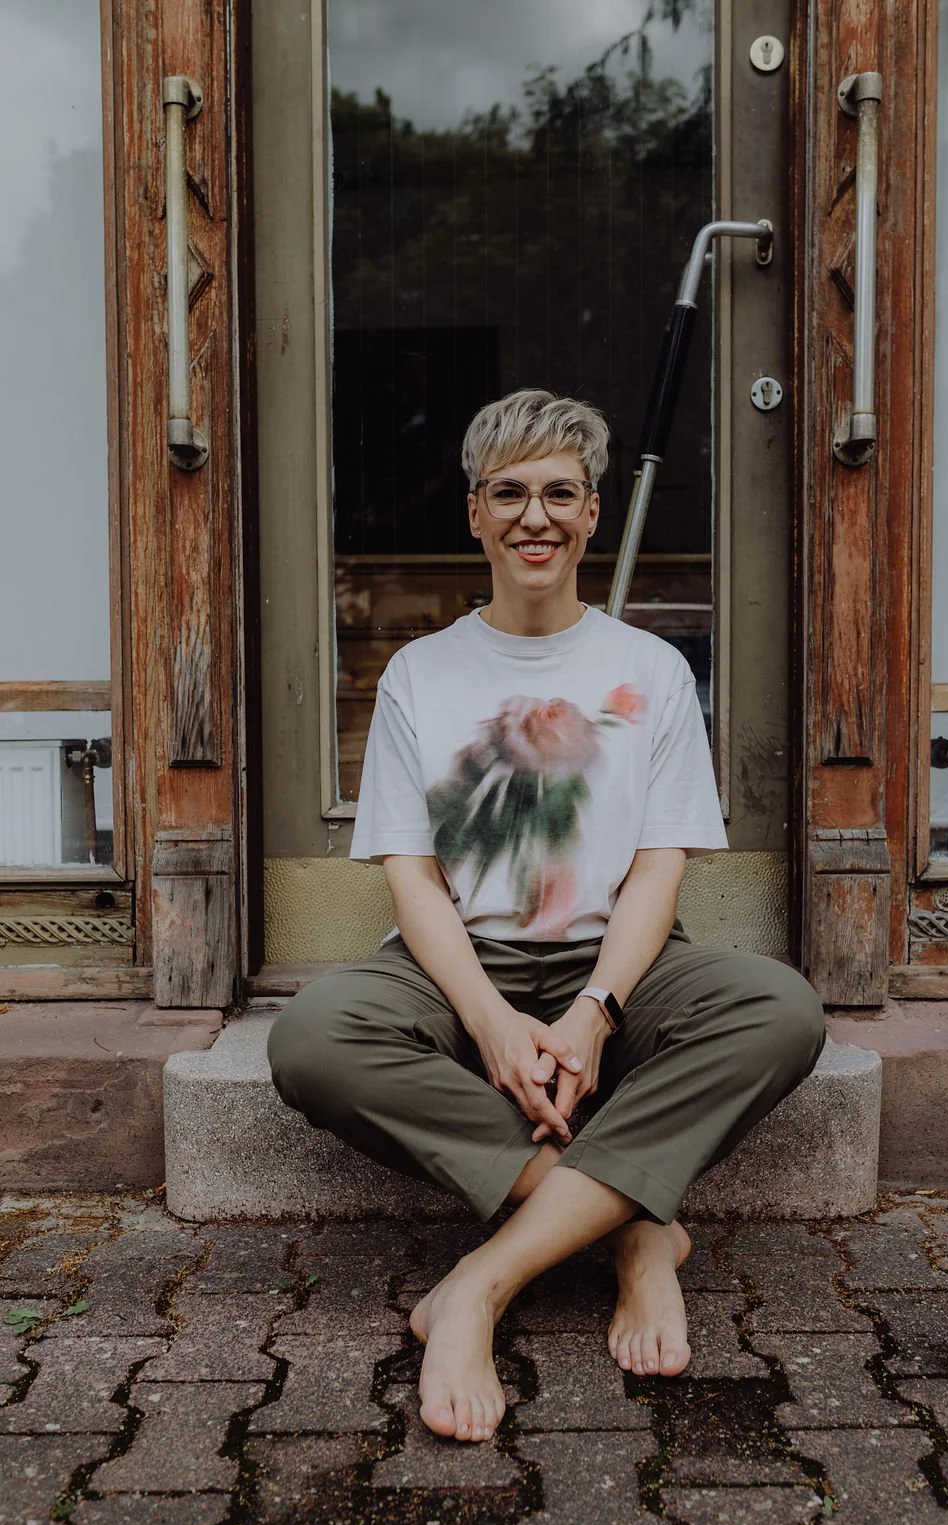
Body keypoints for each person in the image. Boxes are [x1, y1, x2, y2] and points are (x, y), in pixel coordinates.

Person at [268, 388, 826, 1444]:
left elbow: (659, 869)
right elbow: (412, 879)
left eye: (561, 494)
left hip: (619, 959)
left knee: (780, 1010)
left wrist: (596, 1011)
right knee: (312, 1039)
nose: (536, 517)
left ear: (593, 513)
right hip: (459, 961)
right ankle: (636, 1232)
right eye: (511, 493)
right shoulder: (419, 675)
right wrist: (488, 1022)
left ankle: (480, 1284)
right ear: (475, 513)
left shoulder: (650, 670)